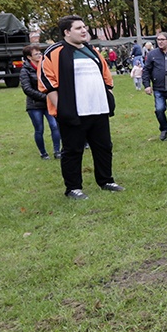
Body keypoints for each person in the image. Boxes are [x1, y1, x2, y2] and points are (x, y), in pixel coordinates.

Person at [38, 15, 124, 200]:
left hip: (98, 109)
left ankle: (106, 180)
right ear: (67, 32)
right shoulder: (55, 51)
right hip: (73, 112)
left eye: (84, 27)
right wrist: (62, 107)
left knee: (103, 147)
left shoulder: (91, 50)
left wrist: (107, 94)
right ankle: (73, 188)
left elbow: (106, 75)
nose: (84, 30)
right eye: (78, 28)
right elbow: (47, 81)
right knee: (73, 150)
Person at [20, 44, 61, 160]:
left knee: (54, 126)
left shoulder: (46, 66)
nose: (39, 55)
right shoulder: (25, 70)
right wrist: (46, 96)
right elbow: (27, 89)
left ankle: (57, 151)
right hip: (34, 105)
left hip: (49, 103)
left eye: (40, 53)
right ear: (29, 57)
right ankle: (43, 153)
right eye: (36, 54)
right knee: (39, 129)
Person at [142, 32, 167, 141]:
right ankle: (164, 129)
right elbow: (146, 70)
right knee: (159, 110)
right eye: (158, 39)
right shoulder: (152, 54)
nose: (160, 42)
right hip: (159, 88)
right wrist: (146, 85)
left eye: (162, 39)